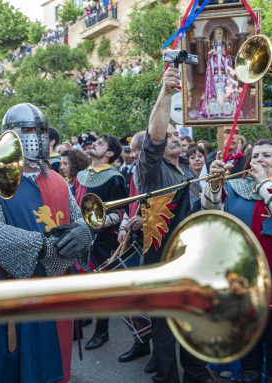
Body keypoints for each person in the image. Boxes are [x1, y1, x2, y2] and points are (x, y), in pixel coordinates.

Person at [0, 103, 93, 383]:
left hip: (58, 295)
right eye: (26, 130)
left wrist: (84, 233)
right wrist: (46, 245)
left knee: (60, 367)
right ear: (9, 136)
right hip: (16, 297)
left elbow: (77, 221)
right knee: (15, 373)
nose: (34, 137)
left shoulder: (59, 181)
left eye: (39, 130)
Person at [203, 139, 272, 383]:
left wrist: (263, 184)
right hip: (244, 278)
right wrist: (214, 184)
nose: (259, 160)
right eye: (255, 156)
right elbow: (211, 210)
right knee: (248, 338)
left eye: (267, 156)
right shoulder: (235, 185)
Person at [134, 66, 211, 383]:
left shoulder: (189, 173)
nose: (176, 137)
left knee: (192, 320)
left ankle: (195, 374)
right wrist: (166, 94)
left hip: (190, 260)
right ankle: (167, 379)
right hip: (163, 261)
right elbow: (154, 135)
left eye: (179, 135)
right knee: (166, 326)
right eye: (171, 136)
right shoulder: (150, 169)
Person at [74, 134, 128, 351]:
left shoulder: (115, 178)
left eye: (100, 143)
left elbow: (122, 211)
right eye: (94, 142)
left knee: (102, 286)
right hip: (78, 236)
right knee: (77, 282)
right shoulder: (80, 175)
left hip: (102, 241)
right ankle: (78, 322)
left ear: (109, 153)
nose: (94, 144)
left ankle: (102, 330)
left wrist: (97, 223)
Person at [116, 130, 153, 365]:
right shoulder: (136, 173)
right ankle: (141, 342)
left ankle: (158, 352)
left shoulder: (166, 171)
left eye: (136, 150)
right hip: (138, 240)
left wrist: (147, 221)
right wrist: (123, 227)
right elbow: (132, 204)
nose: (133, 155)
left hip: (158, 243)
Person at [199, 27, 240, 119]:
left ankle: (226, 110)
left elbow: (229, 64)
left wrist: (227, 73)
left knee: (226, 91)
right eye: (217, 33)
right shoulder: (211, 55)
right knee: (215, 91)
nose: (219, 36)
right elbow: (209, 65)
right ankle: (214, 111)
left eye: (220, 33)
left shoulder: (227, 54)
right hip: (215, 76)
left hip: (225, 76)